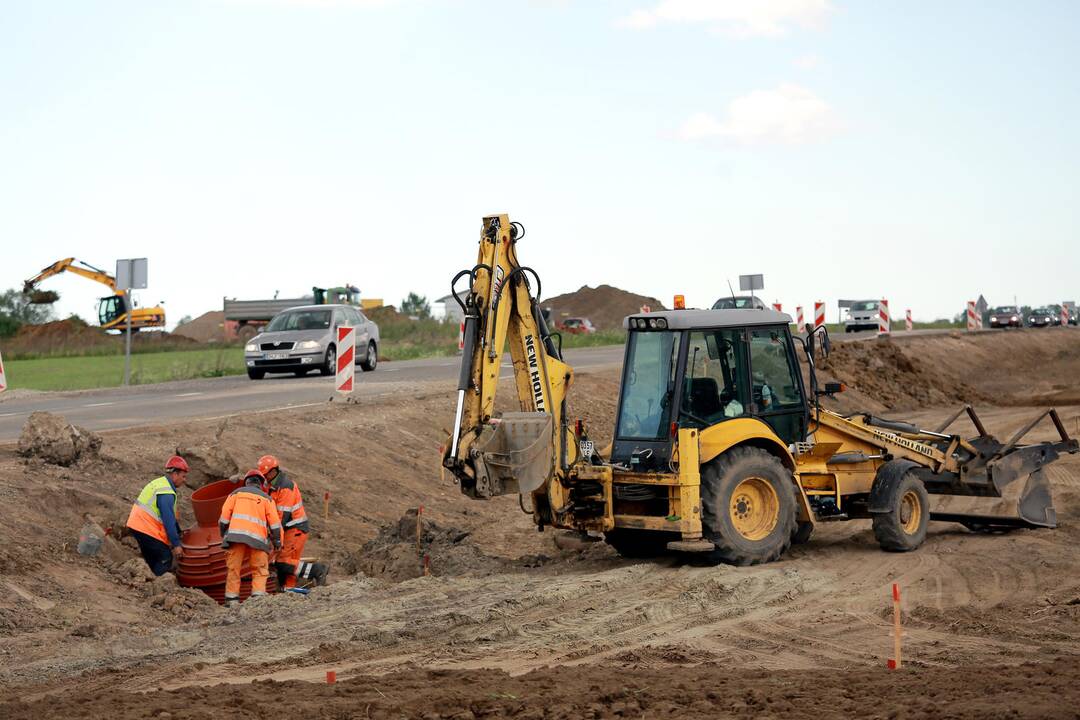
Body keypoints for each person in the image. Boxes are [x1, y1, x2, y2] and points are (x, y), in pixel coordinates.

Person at [258, 454, 328, 589]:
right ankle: (289, 591)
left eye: (265, 475)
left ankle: (317, 570)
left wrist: (270, 535)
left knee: (284, 563)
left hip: (295, 530)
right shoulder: (273, 485)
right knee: (287, 563)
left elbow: (280, 517)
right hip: (290, 529)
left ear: (273, 471)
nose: (264, 478)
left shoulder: (285, 487)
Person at [219, 470, 282, 607]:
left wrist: (223, 533)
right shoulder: (267, 499)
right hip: (258, 541)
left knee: (233, 570)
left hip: (235, 538)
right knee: (259, 570)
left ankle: (231, 602)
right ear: (260, 483)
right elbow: (275, 524)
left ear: (247, 481)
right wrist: (277, 542)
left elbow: (224, 517)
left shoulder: (235, 494)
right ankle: (257, 602)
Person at [126, 455, 188, 576]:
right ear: (175, 474)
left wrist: (179, 532)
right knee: (165, 557)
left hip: (138, 525)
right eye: (183, 476)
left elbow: (171, 518)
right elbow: (168, 520)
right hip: (145, 527)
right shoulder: (166, 492)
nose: (184, 480)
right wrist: (176, 545)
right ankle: (159, 583)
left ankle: (150, 578)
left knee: (153, 558)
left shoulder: (161, 484)